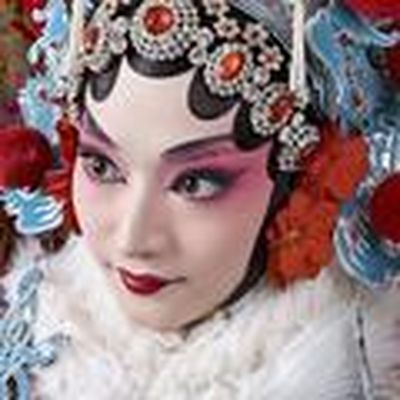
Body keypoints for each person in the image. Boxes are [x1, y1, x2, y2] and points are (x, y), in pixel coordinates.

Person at [1, 0, 399, 399]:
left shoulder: (359, 368)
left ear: (303, 181)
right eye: (102, 167)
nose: (132, 240)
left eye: (194, 184)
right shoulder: (33, 331)